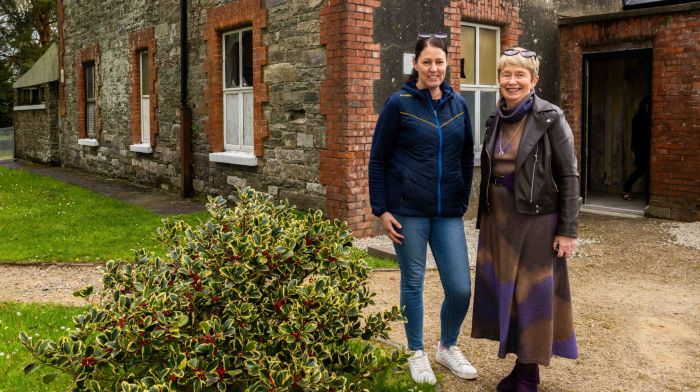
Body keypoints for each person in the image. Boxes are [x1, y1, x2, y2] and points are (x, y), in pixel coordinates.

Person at [368, 34, 477, 385]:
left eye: (439, 62)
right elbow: (378, 159)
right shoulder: (398, 103)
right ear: (415, 64)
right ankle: (416, 351)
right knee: (412, 283)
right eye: (427, 61)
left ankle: (447, 347)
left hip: (447, 213)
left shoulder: (458, 105)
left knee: (460, 288)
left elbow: (465, 156)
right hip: (408, 212)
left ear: (448, 65)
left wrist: (462, 200)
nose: (433, 68)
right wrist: (381, 209)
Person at [471, 47, 579, 392]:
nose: (512, 81)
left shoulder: (551, 117)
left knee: (532, 296)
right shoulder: (495, 118)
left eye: (520, 75)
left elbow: (570, 176)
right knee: (508, 294)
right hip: (498, 220)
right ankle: (520, 365)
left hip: (536, 220)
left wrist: (568, 230)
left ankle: (529, 375)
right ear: (499, 79)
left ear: (534, 80)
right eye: (506, 74)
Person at [622, 97, 651, 201]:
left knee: (643, 171)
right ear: (644, 106)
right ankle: (626, 190)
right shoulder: (640, 117)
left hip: (642, 148)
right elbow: (637, 135)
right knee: (640, 170)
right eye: (647, 105)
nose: (648, 107)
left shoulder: (641, 117)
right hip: (640, 149)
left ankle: (627, 190)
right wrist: (634, 150)